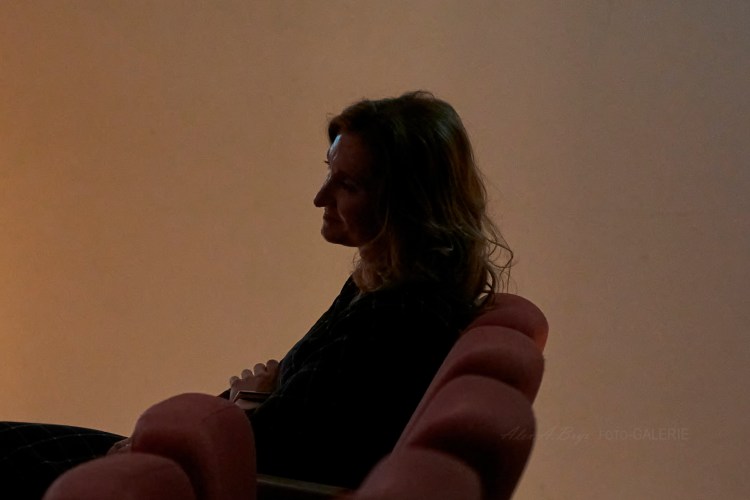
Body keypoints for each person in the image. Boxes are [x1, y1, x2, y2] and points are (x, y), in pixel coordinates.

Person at [0, 90, 513, 496]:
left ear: (407, 204)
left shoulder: (399, 317)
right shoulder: (382, 283)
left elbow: (282, 446)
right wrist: (255, 399)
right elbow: (293, 411)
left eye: (348, 186)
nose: (320, 197)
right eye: (329, 173)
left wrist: (249, 399)